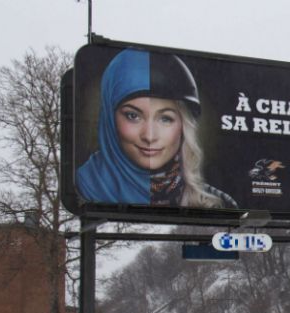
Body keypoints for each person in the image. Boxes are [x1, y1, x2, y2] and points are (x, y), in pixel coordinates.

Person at [76, 48, 237, 209]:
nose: (149, 136)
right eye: (133, 116)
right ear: (109, 119)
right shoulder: (83, 188)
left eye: (165, 119)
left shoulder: (217, 203)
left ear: (184, 125)